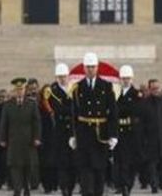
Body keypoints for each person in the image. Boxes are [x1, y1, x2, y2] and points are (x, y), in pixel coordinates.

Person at [69, 52, 118, 196]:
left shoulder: (106, 86)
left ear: (97, 68)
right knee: (85, 172)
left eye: (93, 67)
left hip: (100, 134)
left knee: (99, 171)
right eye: (88, 67)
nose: (90, 69)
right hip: (84, 134)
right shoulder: (77, 87)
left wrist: (114, 135)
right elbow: (74, 114)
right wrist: (73, 135)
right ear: (84, 68)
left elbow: (113, 113)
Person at [0, 77, 42, 196]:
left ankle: (27, 187)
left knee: (28, 165)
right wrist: (2, 138)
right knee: (15, 166)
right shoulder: (8, 105)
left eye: (22, 89)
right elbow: (4, 123)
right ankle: (17, 189)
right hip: (13, 141)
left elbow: (36, 122)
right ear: (14, 90)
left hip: (28, 141)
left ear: (25, 90)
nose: (20, 92)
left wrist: (37, 137)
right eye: (17, 89)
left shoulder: (31, 104)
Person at [114, 65, 145, 196]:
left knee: (129, 162)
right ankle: (122, 184)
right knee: (120, 161)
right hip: (119, 132)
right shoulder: (116, 93)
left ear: (131, 79)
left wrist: (121, 110)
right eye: (123, 78)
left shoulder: (136, 94)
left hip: (131, 133)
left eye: (127, 78)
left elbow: (134, 110)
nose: (125, 80)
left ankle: (127, 184)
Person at [46, 63, 76, 196]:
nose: (62, 79)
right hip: (60, 130)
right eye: (60, 76)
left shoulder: (74, 89)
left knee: (73, 161)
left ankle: (70, 186)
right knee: (62, 162)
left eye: (64, 76)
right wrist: (70, 110)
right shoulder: (52, 91)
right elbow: (57, 109)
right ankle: (64, 187)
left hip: (73, 130)